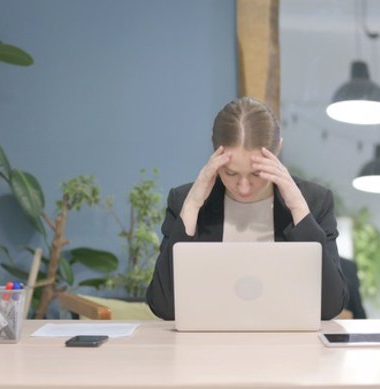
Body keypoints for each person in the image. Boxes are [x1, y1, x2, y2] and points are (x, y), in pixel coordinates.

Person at [146, 96, 349, 320]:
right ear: (215, 153)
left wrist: (298, 209)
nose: (243, 188)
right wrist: (192, 205)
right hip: (207, 348)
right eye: (230, 173)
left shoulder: (314, 201)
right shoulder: (184, 201)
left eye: (256, 173)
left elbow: (330, 306)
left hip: (287, 347)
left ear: (278, 149)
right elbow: (163, 306)